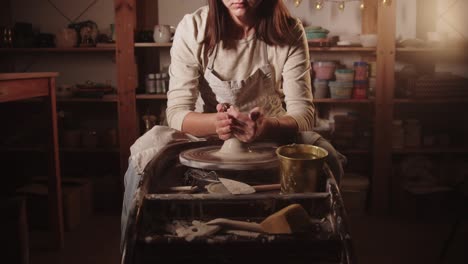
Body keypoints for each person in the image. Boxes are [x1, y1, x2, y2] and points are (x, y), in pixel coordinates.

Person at [121, 0, 345, 252]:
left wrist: (266, 127)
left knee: (328, 156)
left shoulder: (288, 30)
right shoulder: (194, 27)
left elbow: (304, 115)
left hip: (271, 131)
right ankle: (133, 249)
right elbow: (176, 112)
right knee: (143, 152)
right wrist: (215, 124)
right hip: (204, 133)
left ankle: (320, 246)